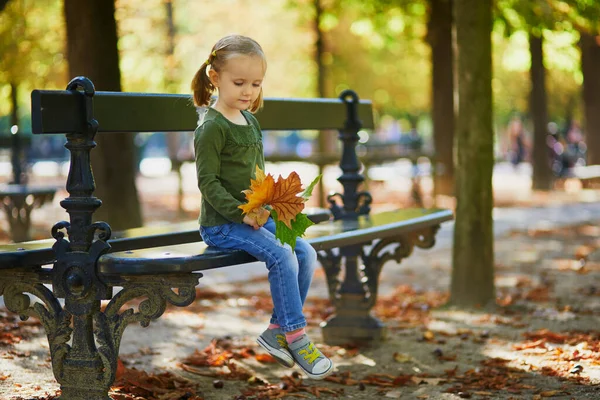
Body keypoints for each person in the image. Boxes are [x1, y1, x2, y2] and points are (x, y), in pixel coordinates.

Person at [190, 34, 333, 380]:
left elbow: (256, 176)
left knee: (306, 253)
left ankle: (275, 332)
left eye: (255, 83)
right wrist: (243, 212)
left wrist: (269, 205)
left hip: (255, 217)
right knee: (282, 256)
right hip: (222, 224)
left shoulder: (250, 121)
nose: (248, 91)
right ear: (215, 77)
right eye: (239, 82)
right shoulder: (211, 127)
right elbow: (208, 183)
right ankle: (297, 337)